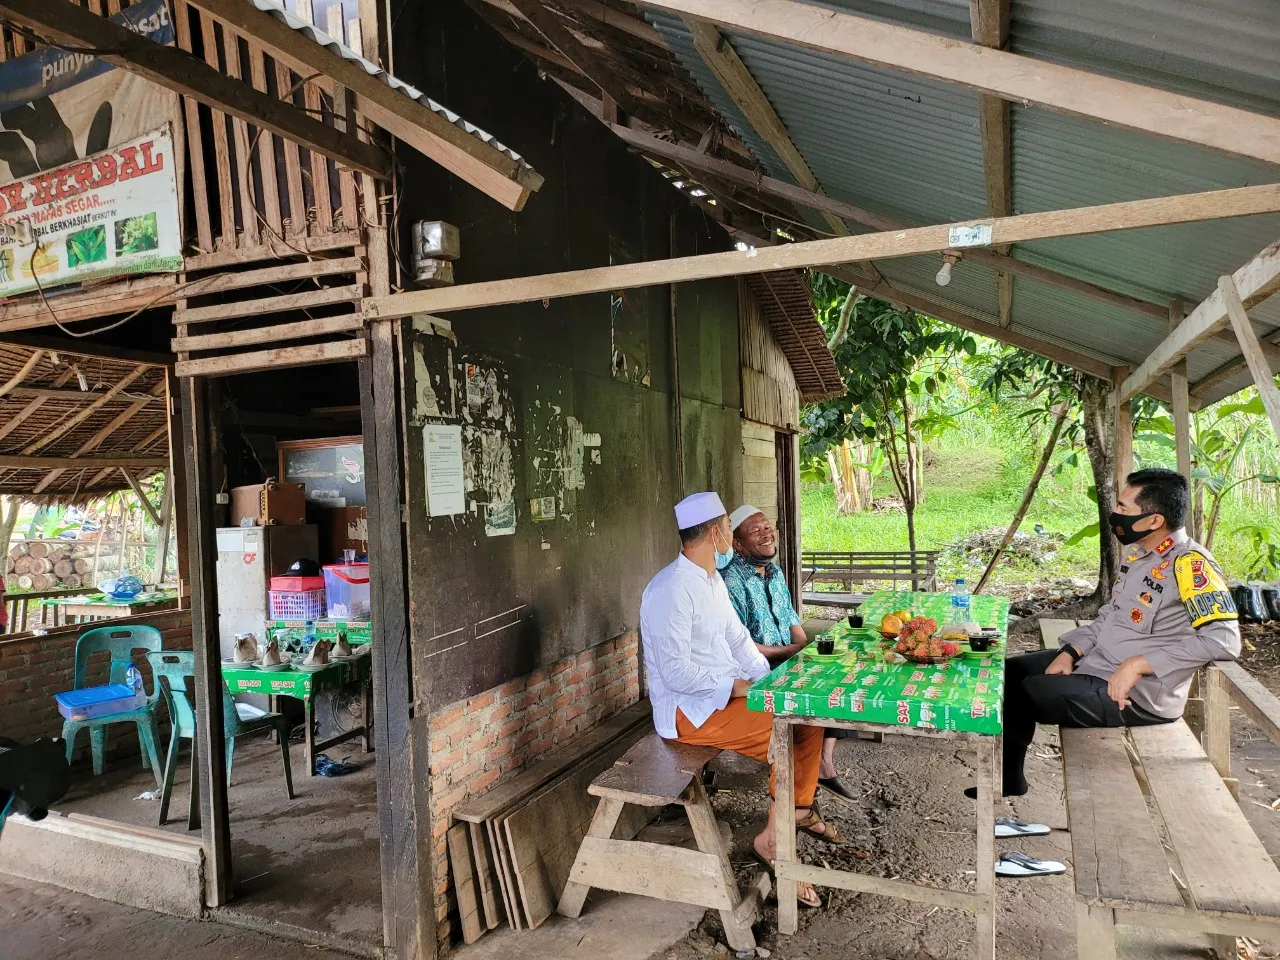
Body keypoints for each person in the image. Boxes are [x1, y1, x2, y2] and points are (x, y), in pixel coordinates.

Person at [972, 467, 1240, 800]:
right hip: (1098, 664)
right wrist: (1071, 653)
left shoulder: (1190, 565)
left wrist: (1139, 664)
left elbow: (1223, 640)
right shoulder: (1140, 556)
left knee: (1031, 692)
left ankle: (1007, 784)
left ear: (1154, 521)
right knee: (1010, 672)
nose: (1116, 514)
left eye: (1125, 508)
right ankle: (1009, 779)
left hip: (1138, 695)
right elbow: (1108, 617)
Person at [640, 492, 844, 908]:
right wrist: (741, 689)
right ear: (716, 533)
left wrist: (769, 684)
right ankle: (783, 839)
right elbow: (676, 672)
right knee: (788, 734)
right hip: (689, 711)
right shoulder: (670, 590)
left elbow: (739, 642)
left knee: (806, 716)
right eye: (729, 531)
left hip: (725, 698)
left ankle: (780, 828)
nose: (731, 539)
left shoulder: (711, 580)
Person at [721, 504, 858, 803]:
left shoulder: (775, 571)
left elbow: (792, 622)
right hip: (759, 667)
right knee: (815, 696)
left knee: (841, 676)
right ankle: (804, 786)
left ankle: (824, 763)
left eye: (767, 527)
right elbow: (739, 645)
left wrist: (804, 649)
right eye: (755, 531)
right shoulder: (731, 580)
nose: (766, 534)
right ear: (738, 544)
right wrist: (794, 653)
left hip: (787, 656)